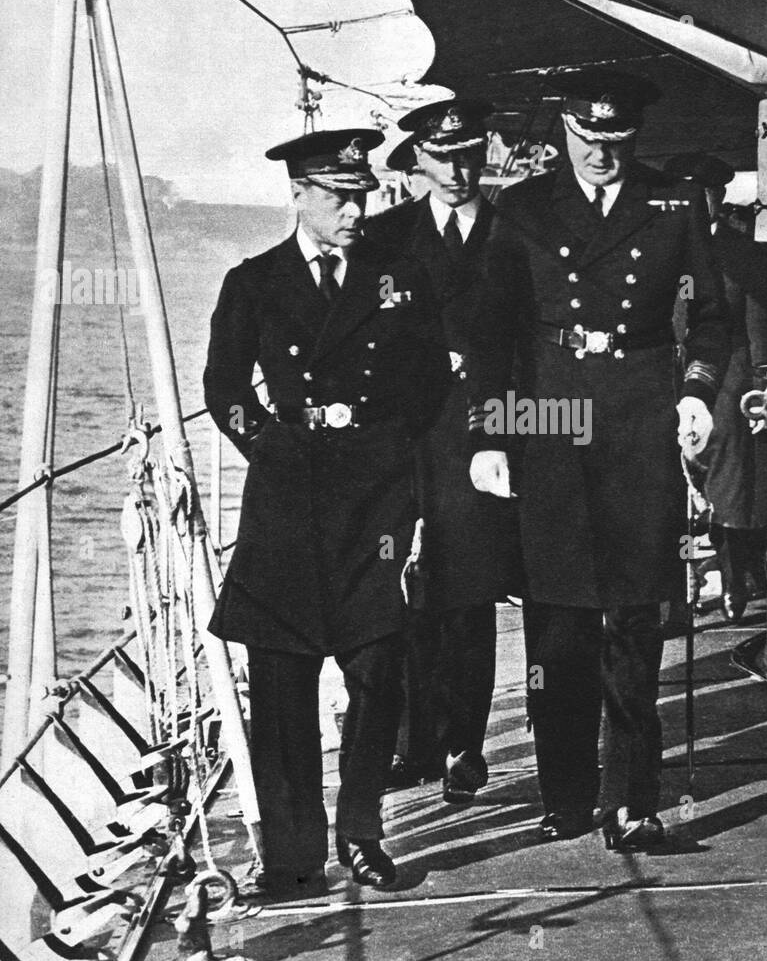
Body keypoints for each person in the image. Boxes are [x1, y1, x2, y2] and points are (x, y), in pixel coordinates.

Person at [468, 71, 731, 850]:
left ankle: (632, 802)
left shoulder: (674, 203)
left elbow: (712, 319)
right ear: (564, 135)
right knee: (558, 625)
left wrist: (695, 393)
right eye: (588, 142)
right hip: (550, 416)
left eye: (617, 143)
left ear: (633, 139)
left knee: (635, 616)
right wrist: (489, 434)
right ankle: (567, 795)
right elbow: (492, 334)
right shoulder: (520, 208)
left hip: (637, 415)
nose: (602, 157)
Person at [203, 129, 451, 895]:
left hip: (374, 497)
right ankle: (292, 856)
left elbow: (429, 378)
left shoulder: (397, 277)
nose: (355, 210)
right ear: (301, 197)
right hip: (287, 499)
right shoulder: (254, 282)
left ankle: (363, 833)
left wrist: (396, 458)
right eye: (340, 198)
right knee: (282, 681)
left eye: (363, 195)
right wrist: (274, 450)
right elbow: (225, 391)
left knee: (377, 669)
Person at [367, 99, 520, 804]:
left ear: (484, 154)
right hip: (403, 438)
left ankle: (465, 743)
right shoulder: (384, 238)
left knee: (467, 595)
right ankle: (412, 745)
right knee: (401, 596)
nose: (457, 172)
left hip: (479, 436)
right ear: (417, 161)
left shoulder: (515, 231)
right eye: (441, 158)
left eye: (468, 157)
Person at [666, 154, 767, 620]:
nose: (696, 204)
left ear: (718, 198)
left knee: (729, 485)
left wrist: (757, 384)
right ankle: (674, 594)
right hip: (665, 375)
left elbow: (757, 321)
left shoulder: (740, 251)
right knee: (668, 487)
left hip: (727, 377)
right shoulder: (655, 245)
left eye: (705, 195)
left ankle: (735, 583)